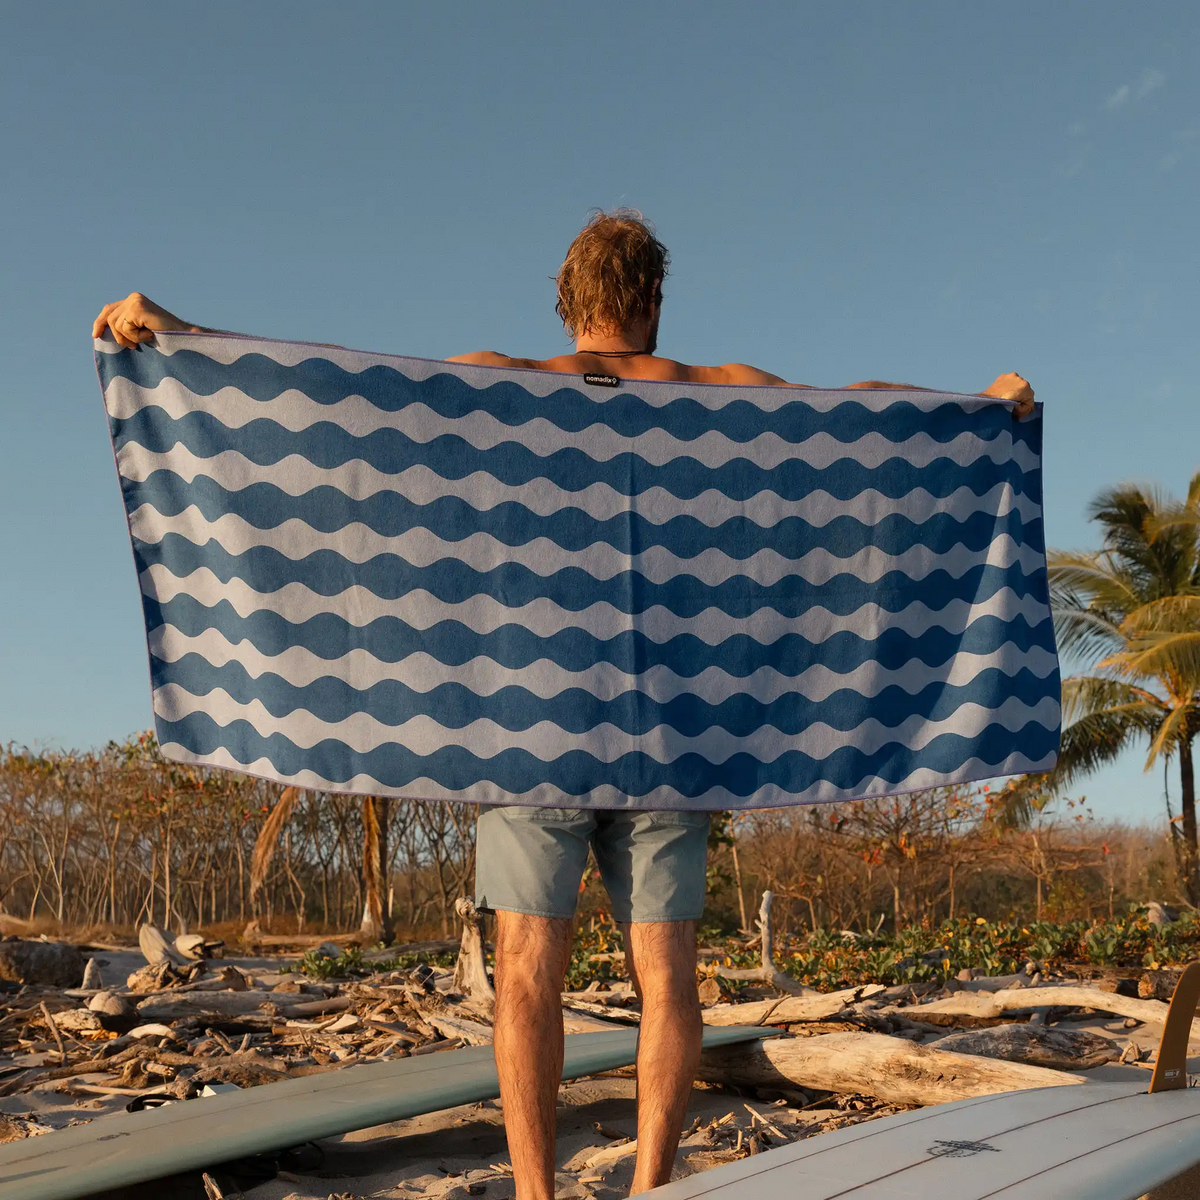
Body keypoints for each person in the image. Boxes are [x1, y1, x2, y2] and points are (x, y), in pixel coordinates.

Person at [93, 210, 1035, 1199]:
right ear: (653, 299)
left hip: (529, 726)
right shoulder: (715, 394)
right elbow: (858, 420)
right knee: (667, 977)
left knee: (526, 970)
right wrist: (979, 408)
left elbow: (329, 400)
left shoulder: (501, 386)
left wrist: (183, 340)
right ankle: (653, 1187)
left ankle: (538, 1195)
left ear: (566, 301)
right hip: (676, 733)